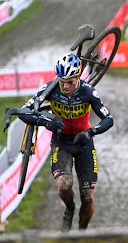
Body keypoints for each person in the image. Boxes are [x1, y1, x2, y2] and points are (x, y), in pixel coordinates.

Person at [19, 53, 113, 232]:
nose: (66, 86)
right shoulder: (50, 88)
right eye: (62, 82)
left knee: (87, 198)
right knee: (64, 185)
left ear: (78, 76)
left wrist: (91, 131)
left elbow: (108, 119)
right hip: (61, 143)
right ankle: (69, 209)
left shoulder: (88, 91)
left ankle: (81, 233)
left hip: (83, 142)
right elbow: (24, 112)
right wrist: (46, 123)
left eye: (70, 82)